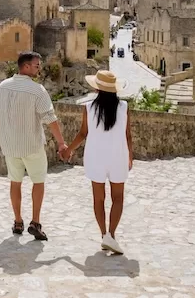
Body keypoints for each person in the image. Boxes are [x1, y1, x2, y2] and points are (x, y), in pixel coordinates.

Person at [0, 51, 68, 241]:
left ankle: (17, 221)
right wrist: (61, 143)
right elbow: (50, 118)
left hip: (10, 145)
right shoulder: (37, 90)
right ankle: (35, 222)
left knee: (15, 182)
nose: (39, 68)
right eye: (36, 65)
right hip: (31, 145)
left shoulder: (2, 87)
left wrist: (6, 134)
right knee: (38, 181)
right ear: (25, 66)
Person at [61, 70, 133, 254]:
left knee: (98, 199)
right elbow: (127, 135)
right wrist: (130, 156)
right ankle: (112, 235)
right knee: (118, 198)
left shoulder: (88, 107)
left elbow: (83, 133)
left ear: (97, 88)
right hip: (118, 155)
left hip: (96, 157)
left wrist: (69, 149)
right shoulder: (124, 107)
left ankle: (104, 235)